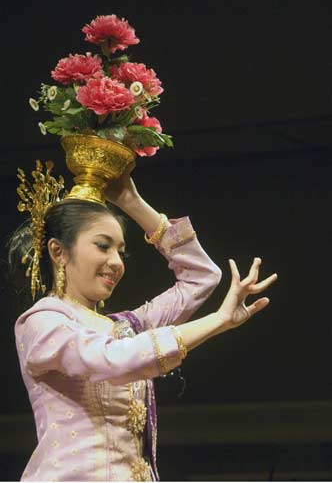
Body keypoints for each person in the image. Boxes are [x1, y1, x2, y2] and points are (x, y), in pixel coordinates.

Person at [8, 161, 277, 482]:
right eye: (103, 246)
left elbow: (203, 277)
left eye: (121, 251)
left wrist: (131, 201)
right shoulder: (42, 321)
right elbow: (115, 360)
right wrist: (219, 321)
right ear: (58, 251)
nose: (116, 262)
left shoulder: (126, 327)